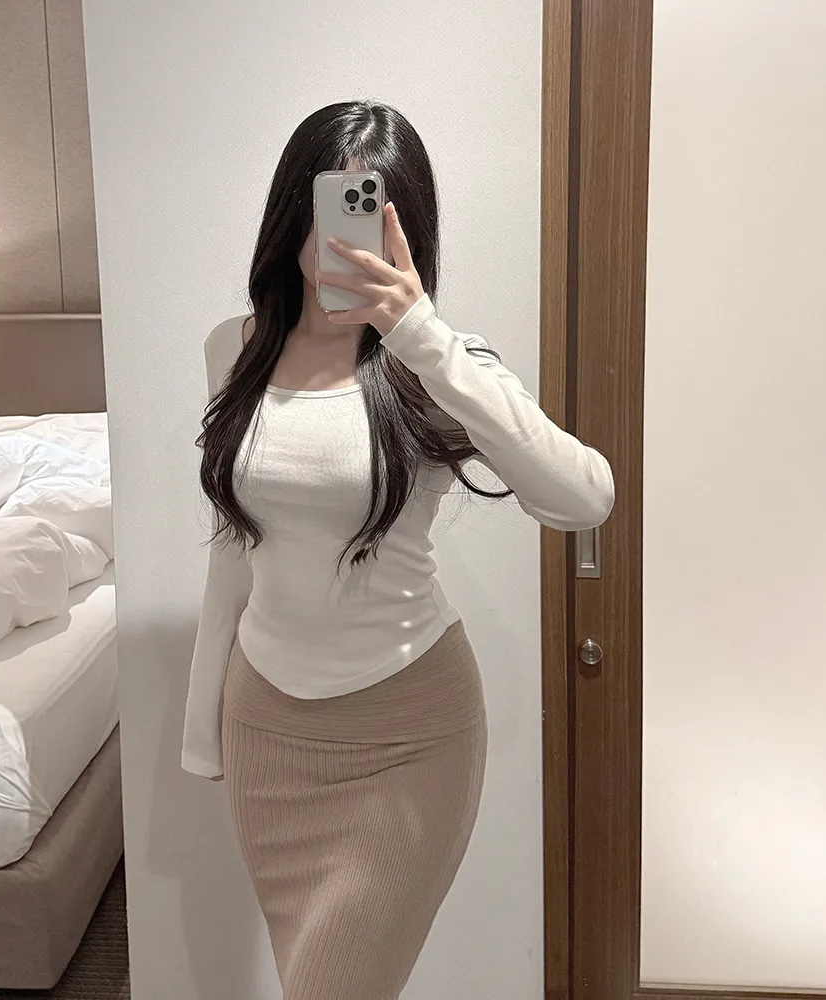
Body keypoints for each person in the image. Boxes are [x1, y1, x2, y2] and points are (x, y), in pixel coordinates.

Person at [182, 101, 613, 1000]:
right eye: (328, 205)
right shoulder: (234, 350)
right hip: (266, 733)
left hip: (408, 740)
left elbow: (583, 498)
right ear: (293, 212)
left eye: (370, 212)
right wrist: (202, 726)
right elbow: (233, 548)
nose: (341, 238)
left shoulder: (441, 364)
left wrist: (421, 333)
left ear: (405, 227)